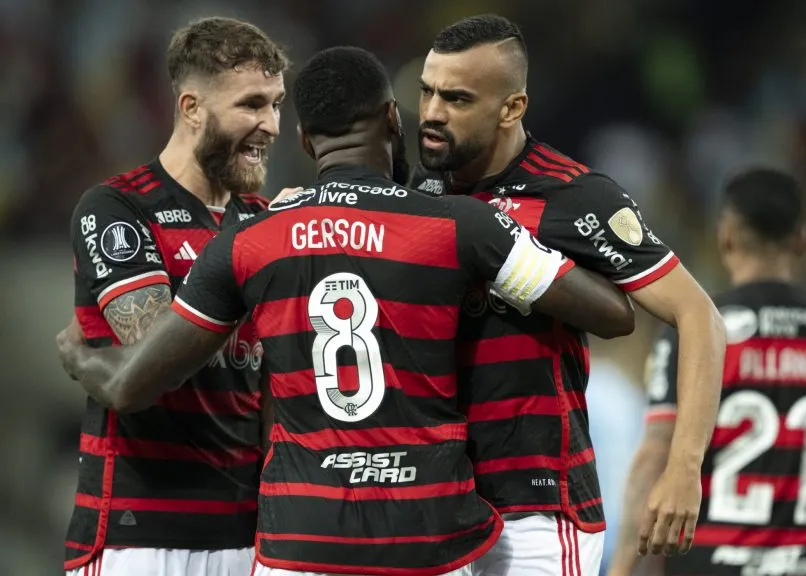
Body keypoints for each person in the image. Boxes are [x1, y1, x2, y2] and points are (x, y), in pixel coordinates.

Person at [56, 46, 637, 576]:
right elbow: (613, 314)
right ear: (392, 119)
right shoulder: (459, 225)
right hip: (427, 535)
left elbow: (132, 386)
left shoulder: (249, 242)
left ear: (306, 142)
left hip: (301, 542)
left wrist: (81, 356)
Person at [409, 15, 725, 574]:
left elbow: (698, 315)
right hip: (434, 502)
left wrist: (684, 468)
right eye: (427, 91)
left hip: (535, 515)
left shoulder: (574, 196)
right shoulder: (417, 194)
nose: (432, 113)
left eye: (456, 98)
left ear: (512, 108)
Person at [63, 17, 288, 576]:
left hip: (248, 533)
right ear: (191, 108)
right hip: (140, 538)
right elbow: (153, 356)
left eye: (277, 104)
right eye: (251, 104)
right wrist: (251, 247)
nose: (271, 125)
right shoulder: (117, 209)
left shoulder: (262, 222)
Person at [609, 168, 806, 576]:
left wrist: (621, 569)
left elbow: (654, 457)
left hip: (710, 561)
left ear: (725, 234)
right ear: (802, 239)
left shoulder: (695, 329)